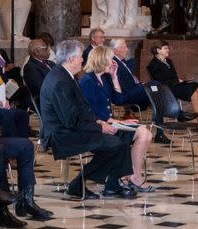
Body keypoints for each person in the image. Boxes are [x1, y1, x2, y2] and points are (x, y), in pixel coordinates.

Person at [40, 40, 136, 199]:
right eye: (80, 57)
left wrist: (99, 122)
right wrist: (100, 128)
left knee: (122, 138)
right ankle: (77, 184)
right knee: (114, 143)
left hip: (71, 128)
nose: (82, 60)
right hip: (61, 134)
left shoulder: (65, 75)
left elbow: (81, 110)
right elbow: (70, 120)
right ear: (71, 59)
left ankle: (112, 185)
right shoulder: (60, 81)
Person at [80, 47, 155, 192]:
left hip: (110, 122)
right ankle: (133, 177)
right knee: (143, 133)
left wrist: (114, 77)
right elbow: (90, 112)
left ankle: (133, 176)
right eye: (110, 59)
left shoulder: (105, 78)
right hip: (97, 127)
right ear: (101, 60)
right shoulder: (88, 81)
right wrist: (117, 122)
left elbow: (120, 100)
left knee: (146, 134)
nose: (114, 63)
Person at [110, 38, 169, 144]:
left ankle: (160, 133)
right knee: (155, 84)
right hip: (126, 95)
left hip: (134, 90)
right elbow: (124, 86)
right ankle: (170, 108)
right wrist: (141, 86)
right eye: (124, 47)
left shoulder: (123, 62)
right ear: (116, 50)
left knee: (156, 99)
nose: (127, 49)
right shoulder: (114, 63)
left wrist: (141, 85)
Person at [146, 40, 198, 124]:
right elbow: (160, 82)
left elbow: (173, 76)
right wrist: (176, 80)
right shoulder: (153, 64)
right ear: (158, 50)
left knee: (196, 85)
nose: (168, 50)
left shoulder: (169, 61)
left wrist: (180, 80)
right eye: (165, 48)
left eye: (168, 48)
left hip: (175, 86)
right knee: (193, 90)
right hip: (167, 90)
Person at [23, 38, 55, 102]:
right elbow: (41, 88)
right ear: (36, 52)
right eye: (45, 48)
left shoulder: (50, 63)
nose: (49, 50)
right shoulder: (30, 67)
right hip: (48, 100)